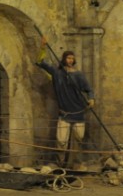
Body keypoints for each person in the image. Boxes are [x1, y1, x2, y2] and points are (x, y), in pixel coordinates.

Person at [35, 37, 94, 165]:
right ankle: (60, 165)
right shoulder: (57, 73)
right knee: (61, 141)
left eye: (72, 58)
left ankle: (75, 164)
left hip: (78, 113)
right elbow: (40, 62)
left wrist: (91, 99)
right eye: (68, 58)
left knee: (78, 140)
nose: (70, 60)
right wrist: (43, 47)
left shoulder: (79, 75)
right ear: (63, 59)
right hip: (64, 114)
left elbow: (89, 89)